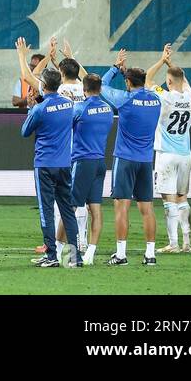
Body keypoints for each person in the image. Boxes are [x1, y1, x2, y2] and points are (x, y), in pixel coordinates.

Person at [101, 51, 166, 266]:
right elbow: (145, 88)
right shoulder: (156, 100)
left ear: (128, 82)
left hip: (125, 159)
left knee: (121, 206)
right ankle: (150, 255)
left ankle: (121, 254)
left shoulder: (125, 100)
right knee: (147, 209)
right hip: (146, 161)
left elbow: (100, 86)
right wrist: (126, 74)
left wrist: (115, 68)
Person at [21, 64, 82, 268]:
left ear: (44, 85)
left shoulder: (39, 109)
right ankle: (73, 257)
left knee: (46, 210)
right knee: (67, 210)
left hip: (45, 164)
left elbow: (25, 131)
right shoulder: (68, 103)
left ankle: (52, 255)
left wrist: (31, 108)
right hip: (65, 163)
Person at [149, 47, 191, 253]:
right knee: (182, 197)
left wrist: (162, 60)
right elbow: (183, 80)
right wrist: (171, 65)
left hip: (166, 155)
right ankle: (187, 242)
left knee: (168, 199)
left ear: (168, 83)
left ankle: (173, 244)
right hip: (185, 154)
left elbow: (148, 79)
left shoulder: (165, 96)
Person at [71, 74, 116, 266]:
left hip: (83, 162)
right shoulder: (107, 109)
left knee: (69, 208)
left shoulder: (80, 108)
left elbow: (64, 124)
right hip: (99, 162)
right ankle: (90, 253)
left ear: (84, 89)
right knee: (95, 209)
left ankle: (59, 251)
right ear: (100, 89)